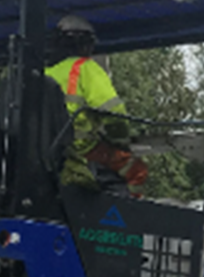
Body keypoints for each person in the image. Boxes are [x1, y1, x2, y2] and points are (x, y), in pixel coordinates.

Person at [44, 14, 148, 196]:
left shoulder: (46, 73)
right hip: (82, 149)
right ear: (84, 44)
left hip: (50, 153)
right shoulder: (84, 68)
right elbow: (114, 113)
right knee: (136, 170)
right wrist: (121, 141)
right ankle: (127, 216)